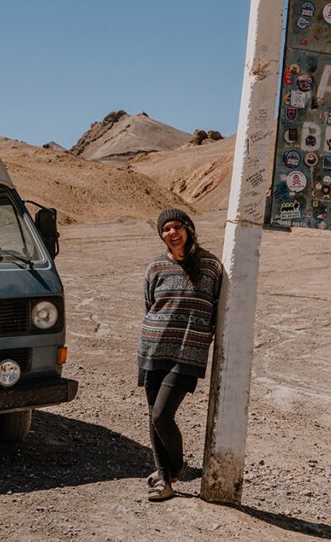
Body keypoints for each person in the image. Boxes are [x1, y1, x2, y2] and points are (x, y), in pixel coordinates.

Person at [138, 208, 223, 501]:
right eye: (166, 230)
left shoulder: (211, 266)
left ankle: (173, 468)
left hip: (188, 353)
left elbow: (216, 309)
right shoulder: (155, 267)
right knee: (153, 416)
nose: (172, 234)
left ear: (188, 228)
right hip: (153, 348)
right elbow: (150, 305)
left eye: (176, 227)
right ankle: (166, 478)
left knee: (162, 415)